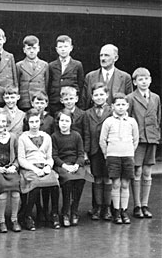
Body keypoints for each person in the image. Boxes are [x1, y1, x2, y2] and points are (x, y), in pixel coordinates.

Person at [126, 68, 161, 219]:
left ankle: (145, 204)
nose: (144, 82)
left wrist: (155, 134)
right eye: (140, 79)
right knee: (137, 172)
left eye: (146, 79)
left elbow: (157, 118)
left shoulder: (156, 98)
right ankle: (137, 205)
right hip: (138, 140)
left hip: (151, 138)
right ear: (134, 82)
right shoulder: (131, 98)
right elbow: (127, 119)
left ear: (150, 80)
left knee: (147, 172)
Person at [100, 93, 139, 224]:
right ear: (112, 106)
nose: (121, 107)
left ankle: (124, 211)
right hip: (113, 157)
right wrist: (108, 154)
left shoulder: (132, 122)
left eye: (123, 104)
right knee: (115, 184)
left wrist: (129, 151)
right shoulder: (108, 122)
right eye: (118, 104)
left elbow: (136, 140)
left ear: (127, 106)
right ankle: (116, 211)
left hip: (127, 156)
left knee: (125, 184)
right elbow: (102, 140)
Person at [18, 109, 58, 231]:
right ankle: (28, 215)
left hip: (44, 167)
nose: (34, 124)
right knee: (35, 184)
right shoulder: (23, 138)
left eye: (36, 121)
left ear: (40, 122)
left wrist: (48, 167)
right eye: (31, 122)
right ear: (27, 123)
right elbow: (21, 159)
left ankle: (54, 214)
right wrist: (34, 169)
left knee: (55, 183)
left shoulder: (47, 137)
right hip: (29, 168)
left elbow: (50, 157)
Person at [52, 109, 92, 227]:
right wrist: (65, 166)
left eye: (67, 121)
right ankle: (65, 212)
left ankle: (74, 211)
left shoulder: (76, 136)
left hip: (75, 164)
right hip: (62, 165)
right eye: (61, 121)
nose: (64, 123)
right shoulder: (54, 136)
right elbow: (54, 155)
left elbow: (80, 153)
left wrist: (77, 165)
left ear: (71, 122)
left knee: (81, 179)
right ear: (58, 122)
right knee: (68, 181)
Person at [83, 82, 113, 221]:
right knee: (97, 178)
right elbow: (87, 133)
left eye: (102, 94)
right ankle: (97, 207)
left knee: (107, 179)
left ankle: (107, 208)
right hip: (95, 150)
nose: (99, 97)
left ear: (107, 95)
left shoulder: (112, 111)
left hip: (109, 150)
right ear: (92, 96)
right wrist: (86, 151)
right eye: (96, 95)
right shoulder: (87, 113)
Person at [82, 44, 132, 109]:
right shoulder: (90, 77)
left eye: (106, 55)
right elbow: (84, 102)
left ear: (116, 58)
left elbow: (129, 103)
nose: (103, 58)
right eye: (101, 55)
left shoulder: (125, 78)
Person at [47, 35, 84, 114]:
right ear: (56, 49)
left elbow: (80, 84)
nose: (63, 49)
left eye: (66, 46)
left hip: (71, 102)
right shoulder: (51, 65)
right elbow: (49, 84)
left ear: (71, 48)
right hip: (55, 102)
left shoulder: (77, 65)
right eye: (60, 47)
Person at [16, 35, 49, 112]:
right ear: (24, 50)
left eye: (34, 48)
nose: (31, 51)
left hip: (39, 102)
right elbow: (17, 84)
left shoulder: (44, 65)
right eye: (28, 48)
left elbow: (46, 85)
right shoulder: (19, 65)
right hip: (25, 103)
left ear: (38, 49)